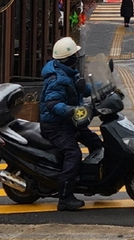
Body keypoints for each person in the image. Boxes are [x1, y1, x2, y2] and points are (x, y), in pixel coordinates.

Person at [39, 37, 102, 212]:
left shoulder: (68, 72)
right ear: (69, 58)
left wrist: (104, 88)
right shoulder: (56, 78)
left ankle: (91, 179)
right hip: (56, 126)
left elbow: (82, 89)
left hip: (70, 122)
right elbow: (52, 104)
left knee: (96, 143)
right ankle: (65, 197)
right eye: (75, 54)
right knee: (73, 153)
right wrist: (71, 110)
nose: (77, 57)